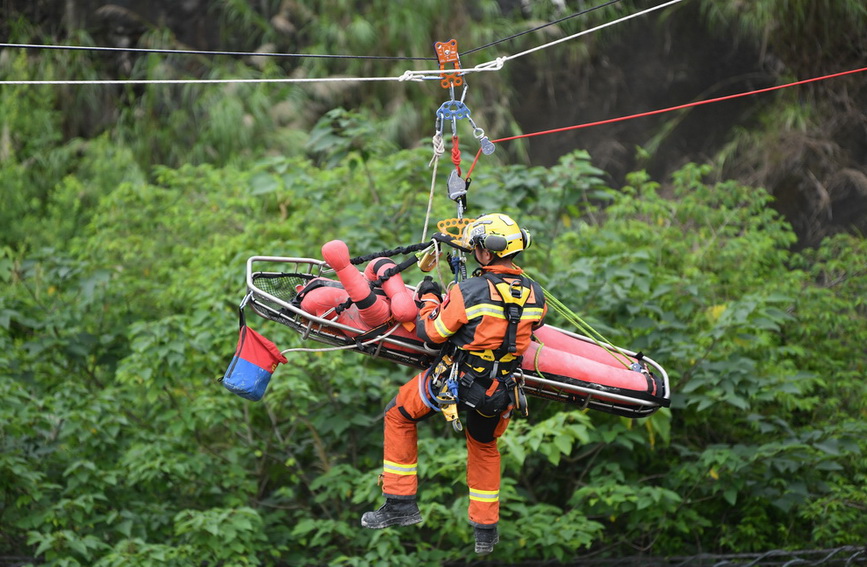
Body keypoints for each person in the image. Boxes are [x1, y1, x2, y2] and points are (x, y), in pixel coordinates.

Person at [361, 213, 547, 555]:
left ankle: (400, 504)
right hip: (500, 390)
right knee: (484, 447)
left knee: (398, 414)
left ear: (487, 253)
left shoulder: (470, 291)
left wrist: (432, 297)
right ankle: (486, 531)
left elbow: (431, 335)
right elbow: (525, 327)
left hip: (458, 380)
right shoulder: (537, 295)